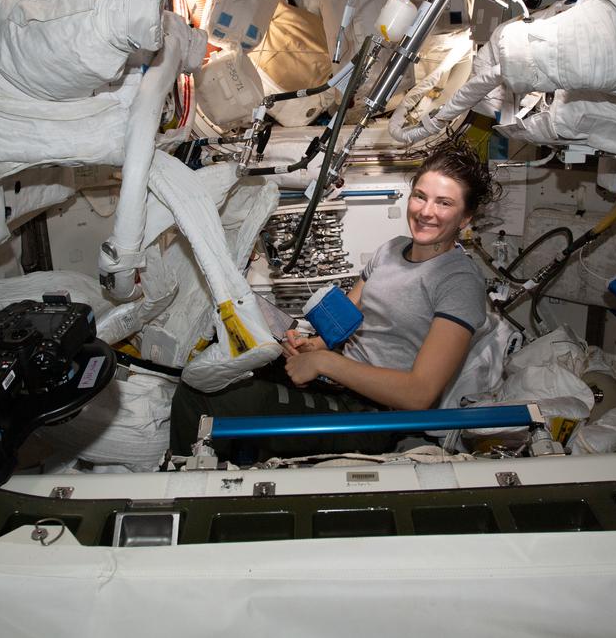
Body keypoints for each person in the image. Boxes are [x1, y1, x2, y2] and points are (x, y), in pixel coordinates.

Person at [168, 141, 500, 460]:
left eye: (444, 203)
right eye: (420, 196)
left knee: (205, 397)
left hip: (373, 414)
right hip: (337, 381)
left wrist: (327, 363)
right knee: (210, 364)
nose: (426, 211)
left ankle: (185, 489)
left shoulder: (459, 281)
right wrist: (316, 345)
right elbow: (345, 318)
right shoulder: (391, 250)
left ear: (466, 217)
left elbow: (419, 394)